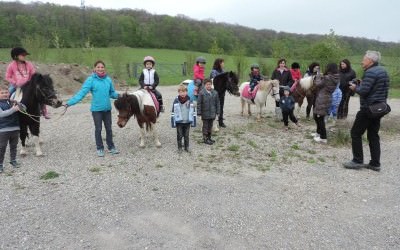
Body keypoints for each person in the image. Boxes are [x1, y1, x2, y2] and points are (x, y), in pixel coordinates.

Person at [343, 50, 389, 172]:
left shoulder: (370, 72)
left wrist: (355, 87)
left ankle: (357, 161)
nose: (362, 61)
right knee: (373, 135)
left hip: (368, 109)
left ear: (370, 61)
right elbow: (380, 90)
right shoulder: (383, 71)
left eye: (364, 59)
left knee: (355, 133)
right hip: (378, 108)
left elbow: (363, 91)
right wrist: (362, 84)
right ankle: (375, 163)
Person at [66, 60, 119, 157]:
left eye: (102, 67)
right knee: (98, 129)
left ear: (104, 68)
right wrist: (69, 103)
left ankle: (111, 146)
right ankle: (100, 148)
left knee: (109, 129)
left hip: (107, 109)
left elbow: (112, 93)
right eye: (98, 67)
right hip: (96, 110)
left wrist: (120, 96)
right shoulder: (90, 80)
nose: (100, 69)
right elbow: (81, 93)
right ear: (94, 68)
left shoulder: (108, 80)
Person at [5, 47, 49, 119]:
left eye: (25, 55)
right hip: (16, 86)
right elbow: (8, 77)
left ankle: (44, 110)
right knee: (8, 94)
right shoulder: (11, 66)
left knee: (40, 93)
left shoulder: (29, 64)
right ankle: (8, 111)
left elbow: (34, 74)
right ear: (15, 56)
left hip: (29, 85)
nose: (24, 57)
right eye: (22, 55)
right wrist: (15, 82)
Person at [312, 63, 339, 144]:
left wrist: (318, 76)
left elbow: (317, 84)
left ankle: (323, 138)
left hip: (322, 99)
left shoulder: (327, 78)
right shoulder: (336, 78)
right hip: (328, 98)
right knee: (317, 116)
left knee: (319, 118)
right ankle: (318, 133)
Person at [0, 84, 21, 173]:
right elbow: (2, 114)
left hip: (15, 128)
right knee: (2, 147)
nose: (5, 94)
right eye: (2, 93)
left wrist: (21, 105)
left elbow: (24, 108)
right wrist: (14, 109)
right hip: (3, 129)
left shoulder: (12, 102)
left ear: (9, 93)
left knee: (14, 146)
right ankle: (0, 164)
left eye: (6, 92)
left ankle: (13, 160)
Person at [171, 84, 195, 153]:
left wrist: (193, 121)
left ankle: (187, 147)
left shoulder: (190, 100)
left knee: (186, 135)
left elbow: (193, 111)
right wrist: (173, 121)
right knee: (180, 135)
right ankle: (179, 147)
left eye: (184, 92)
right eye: (181, 92)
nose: (183, 93)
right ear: (178, 92)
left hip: (187, 121)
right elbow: (173, 111)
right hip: (179, 122)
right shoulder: (176, 100)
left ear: (186, 92)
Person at [197, 78, 220, 145]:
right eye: (207, 84)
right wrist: (199, 112)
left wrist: (218, 111)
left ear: (211, 85)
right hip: (205, 113)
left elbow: (217, 103)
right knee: (205, 126)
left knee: (210, 126)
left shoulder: (215, 93)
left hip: (212, 113)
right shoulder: (201, 93)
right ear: (204, 85)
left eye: (210, 84)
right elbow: (199, 103)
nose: (208, 86)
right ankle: (205, 138)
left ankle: (209, 137)